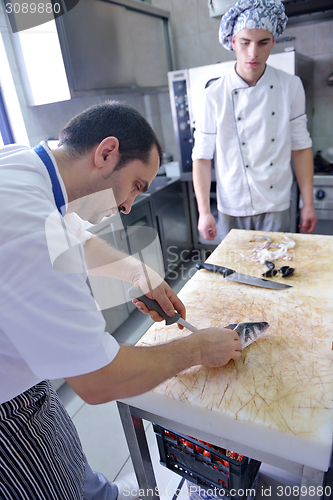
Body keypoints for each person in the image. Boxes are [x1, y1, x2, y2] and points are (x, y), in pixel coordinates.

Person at [0, 101, 242, 500]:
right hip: (7, 415)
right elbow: (99, 380)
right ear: (106, 152)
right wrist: (198, 347)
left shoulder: (24, 165)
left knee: (76, 471)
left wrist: (137, 273)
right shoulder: (29, 226)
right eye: (136, 185)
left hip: (26, 381)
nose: (129, 205)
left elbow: (74, 236)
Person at [192, 0, 318, 242]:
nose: (253, 53)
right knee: (237, 274)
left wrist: (308, 202)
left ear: (273, 42)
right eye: (245, 42)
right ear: (232, 42)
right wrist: (204, 211)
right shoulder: (213, 95)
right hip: (232, 206)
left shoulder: (290, 86)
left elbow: (301, 148)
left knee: (277, 270)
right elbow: (202, 157)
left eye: (262, 43)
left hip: (277, 203)